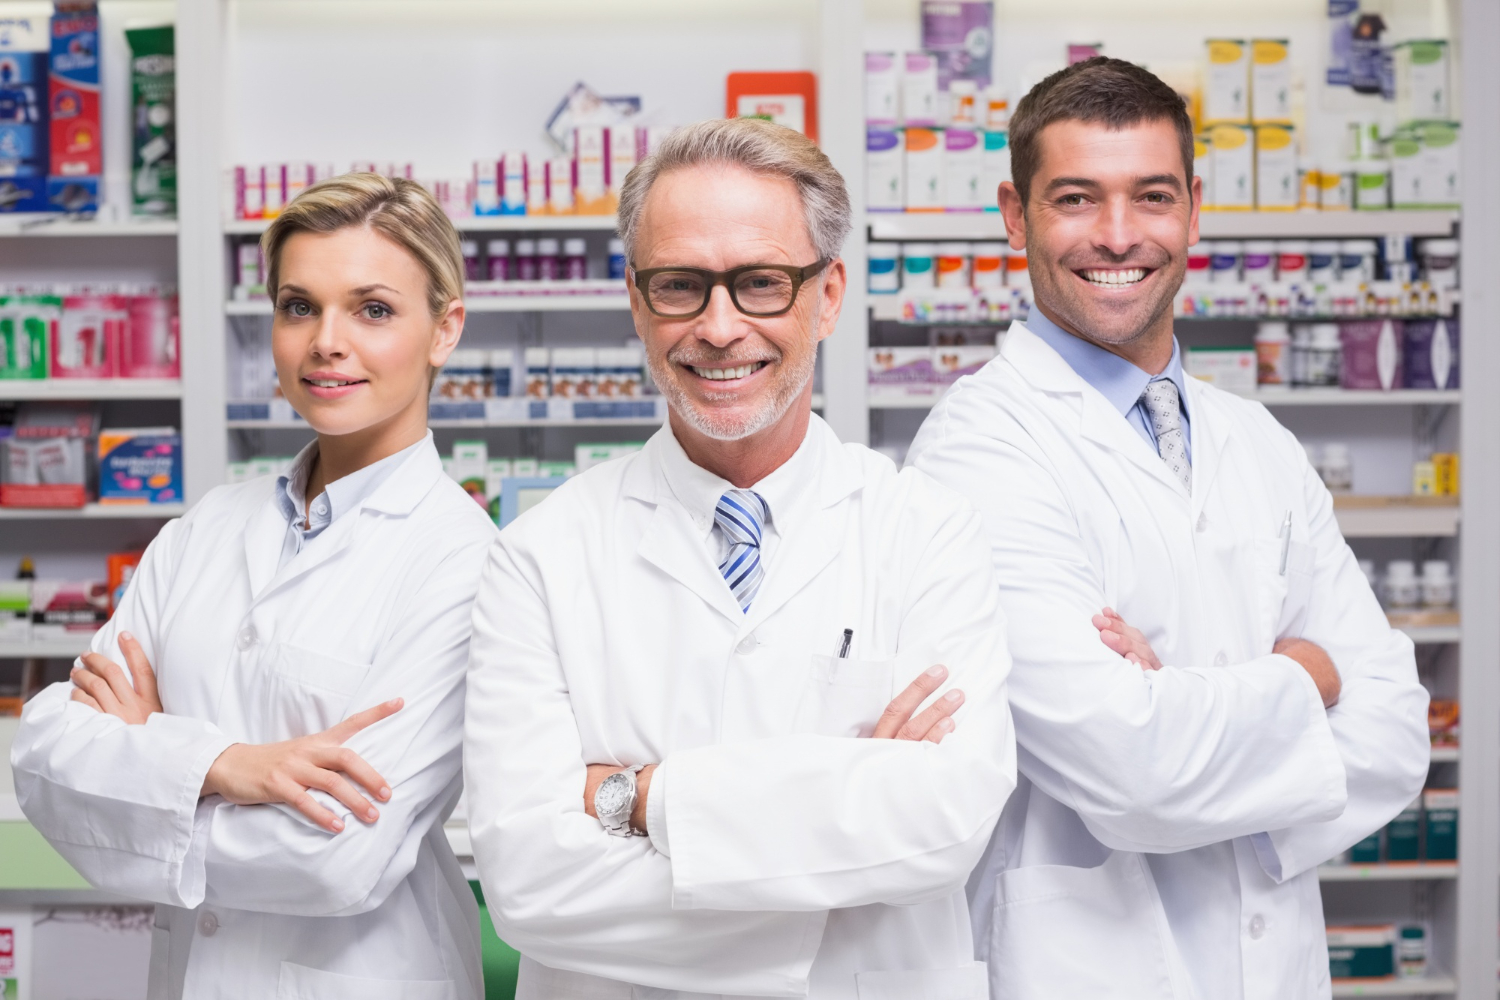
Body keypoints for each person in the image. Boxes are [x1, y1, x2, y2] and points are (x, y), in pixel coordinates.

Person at [906, 58, 1430, 1000]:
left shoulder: (1257, 441)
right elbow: (1133, 769)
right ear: (1016, 216)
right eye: (1075, 198)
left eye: (1150, 196)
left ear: (1192, 207)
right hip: (1087, 970)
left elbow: (1395, 728)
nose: (1118, 235)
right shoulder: (976, 450)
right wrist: (1309, 675)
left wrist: (1187, 703)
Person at [463, 117, 1016, 1000]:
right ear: (638, 300)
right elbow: (527, 884)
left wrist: (641, 799)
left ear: (828, 294)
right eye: (681, 285)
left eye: (761, 283)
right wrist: (845, 849)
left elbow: (948, 825)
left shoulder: (928, 535)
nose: (720, 328)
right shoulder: (538, 554)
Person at [11, 174, 497, 1000]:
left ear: (443, 328)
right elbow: (48, 760)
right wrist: (224, 766)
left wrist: (148, 771)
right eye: (299, 306)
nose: (325, 342)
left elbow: (340, 858)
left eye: (372, 310)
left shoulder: (463, 560)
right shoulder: (206, 528)